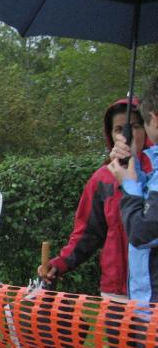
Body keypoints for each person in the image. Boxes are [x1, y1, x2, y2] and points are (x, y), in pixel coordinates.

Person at [39, 98, 149, 300]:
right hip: (115, 292)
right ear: (110, 135)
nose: (127, 135)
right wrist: (60, 263)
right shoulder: (102, 179)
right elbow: (87, 233)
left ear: (147, 128)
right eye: (119, 129)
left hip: (152, 291)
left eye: (135, 126)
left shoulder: (155, 174)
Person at [109, 79, 158, 348]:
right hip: (135, 299)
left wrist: (127, 184)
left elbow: (142, 231)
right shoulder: (146, 165)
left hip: (150, 304)